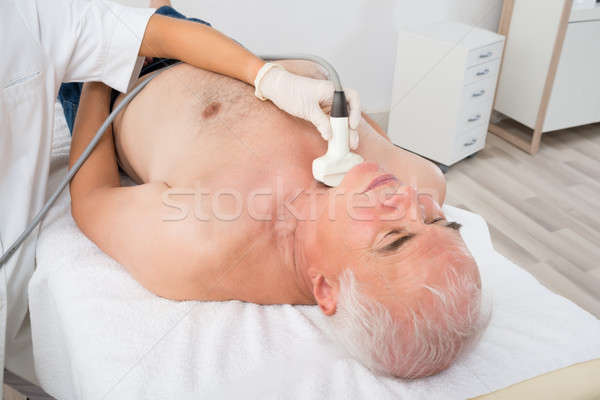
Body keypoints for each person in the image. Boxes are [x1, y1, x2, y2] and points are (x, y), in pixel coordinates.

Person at [66, 4, 486, 379]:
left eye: (394, 237)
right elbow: (375, 133)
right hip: (213, 44)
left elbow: (92, 200)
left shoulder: (208, 242)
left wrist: (103, 64)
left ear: (326, 290)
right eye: (438, 220)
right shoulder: (423, 181)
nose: (407, 200)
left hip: (125, 73)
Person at [0, 0, 360, 391]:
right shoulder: (207, 239)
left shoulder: (29, 15)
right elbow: (93, 200)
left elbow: (161, 34)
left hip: (170, 62)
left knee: (159, 24)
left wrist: (273, 79)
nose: (406, 206)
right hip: (148, 76)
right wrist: (103, 70)